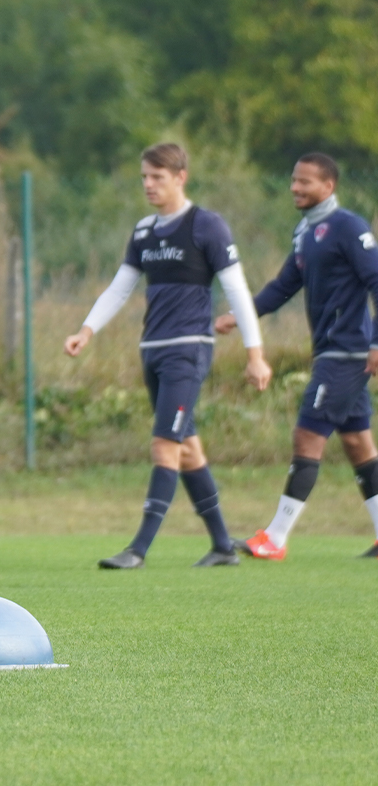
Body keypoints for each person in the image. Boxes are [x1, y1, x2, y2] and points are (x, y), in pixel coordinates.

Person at [64, 143, 272, 568]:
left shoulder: (206, 226)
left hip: (188, 351)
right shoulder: (144, 232)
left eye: (157, 177)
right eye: (144, 177)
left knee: (164, 446)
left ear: (180, 177)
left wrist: (256, 354)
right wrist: (86, 330)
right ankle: (222, 546)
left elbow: (237, 291)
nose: (148, 184)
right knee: (187, 448)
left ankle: (137, 549)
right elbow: (120, 288)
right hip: (152, 351)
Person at [217, 153, 378, 560]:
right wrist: (241, 315)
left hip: (347, 352)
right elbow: (283, 286)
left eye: (304, 181)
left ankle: (275, 537)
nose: (294, 187)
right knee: (357, 443)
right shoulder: (305, 231)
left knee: (308, 435)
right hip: (331, 351)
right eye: (293, 180)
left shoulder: (348, 227)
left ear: (328, 186)